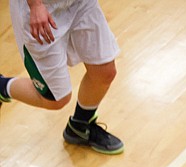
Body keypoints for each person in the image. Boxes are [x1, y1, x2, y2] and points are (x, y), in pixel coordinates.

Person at [0, 0, 123, 154]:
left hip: (80, 3)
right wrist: (35, 5)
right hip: (41, 9)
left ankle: (80, 125)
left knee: (104, 71)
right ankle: (2, 86)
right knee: (56, 99)